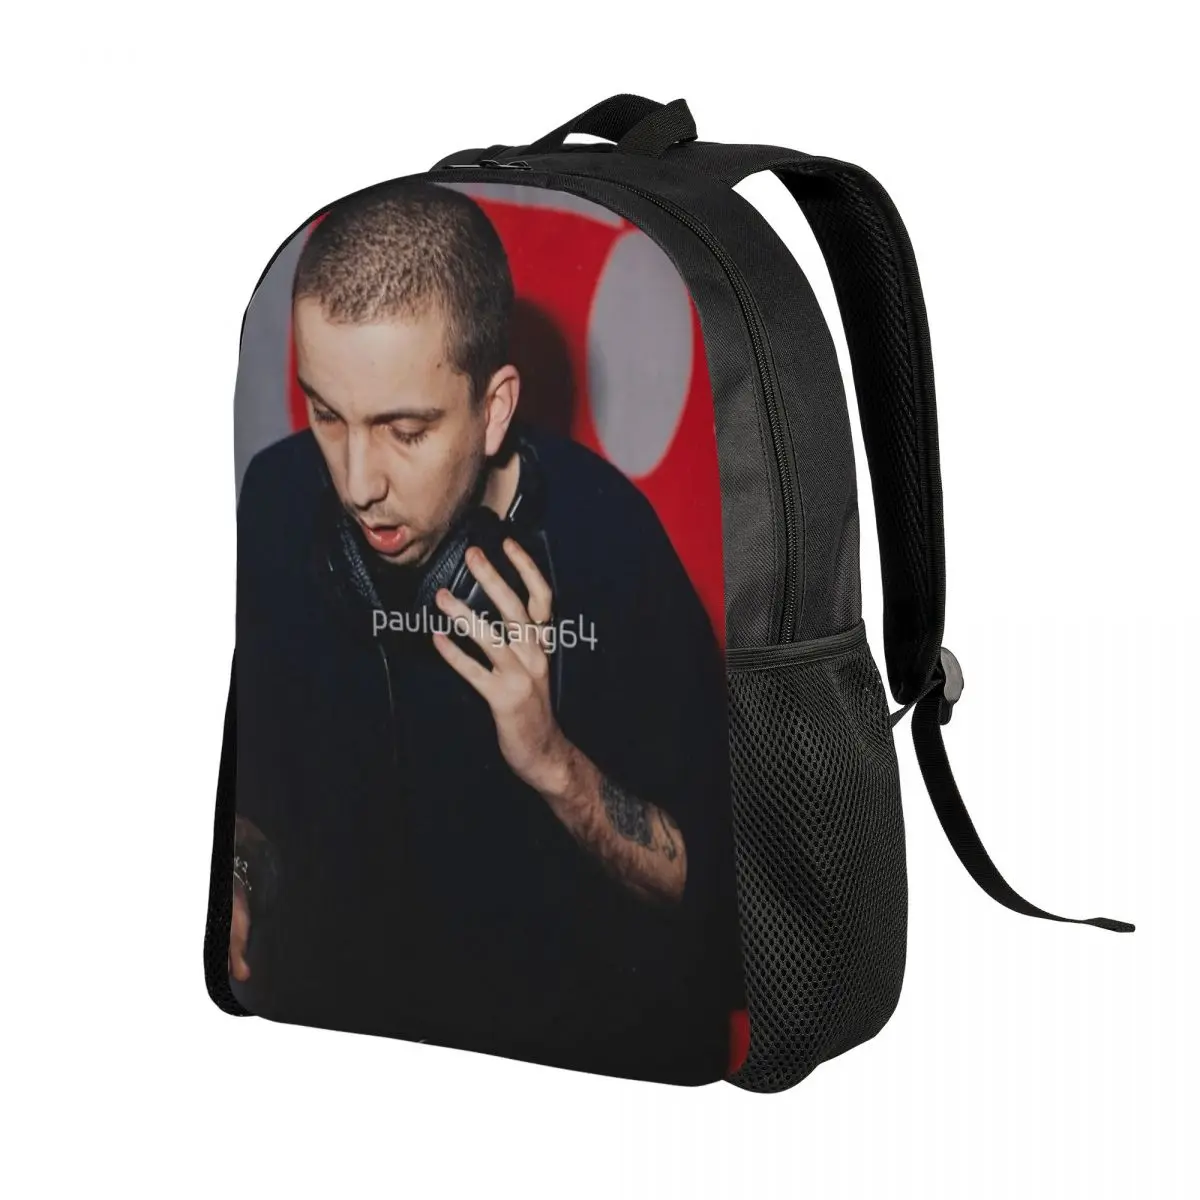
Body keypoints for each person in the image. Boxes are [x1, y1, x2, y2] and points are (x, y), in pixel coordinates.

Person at [231, 182, 742, 1083]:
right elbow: (259, 792)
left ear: (496, 406)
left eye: (404, 431)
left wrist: (553, 762)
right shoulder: (275, 500)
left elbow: (721, 897)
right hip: (327, 1050)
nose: (356, 482)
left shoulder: (610, 546)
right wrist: (237, 878)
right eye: (326, 414)